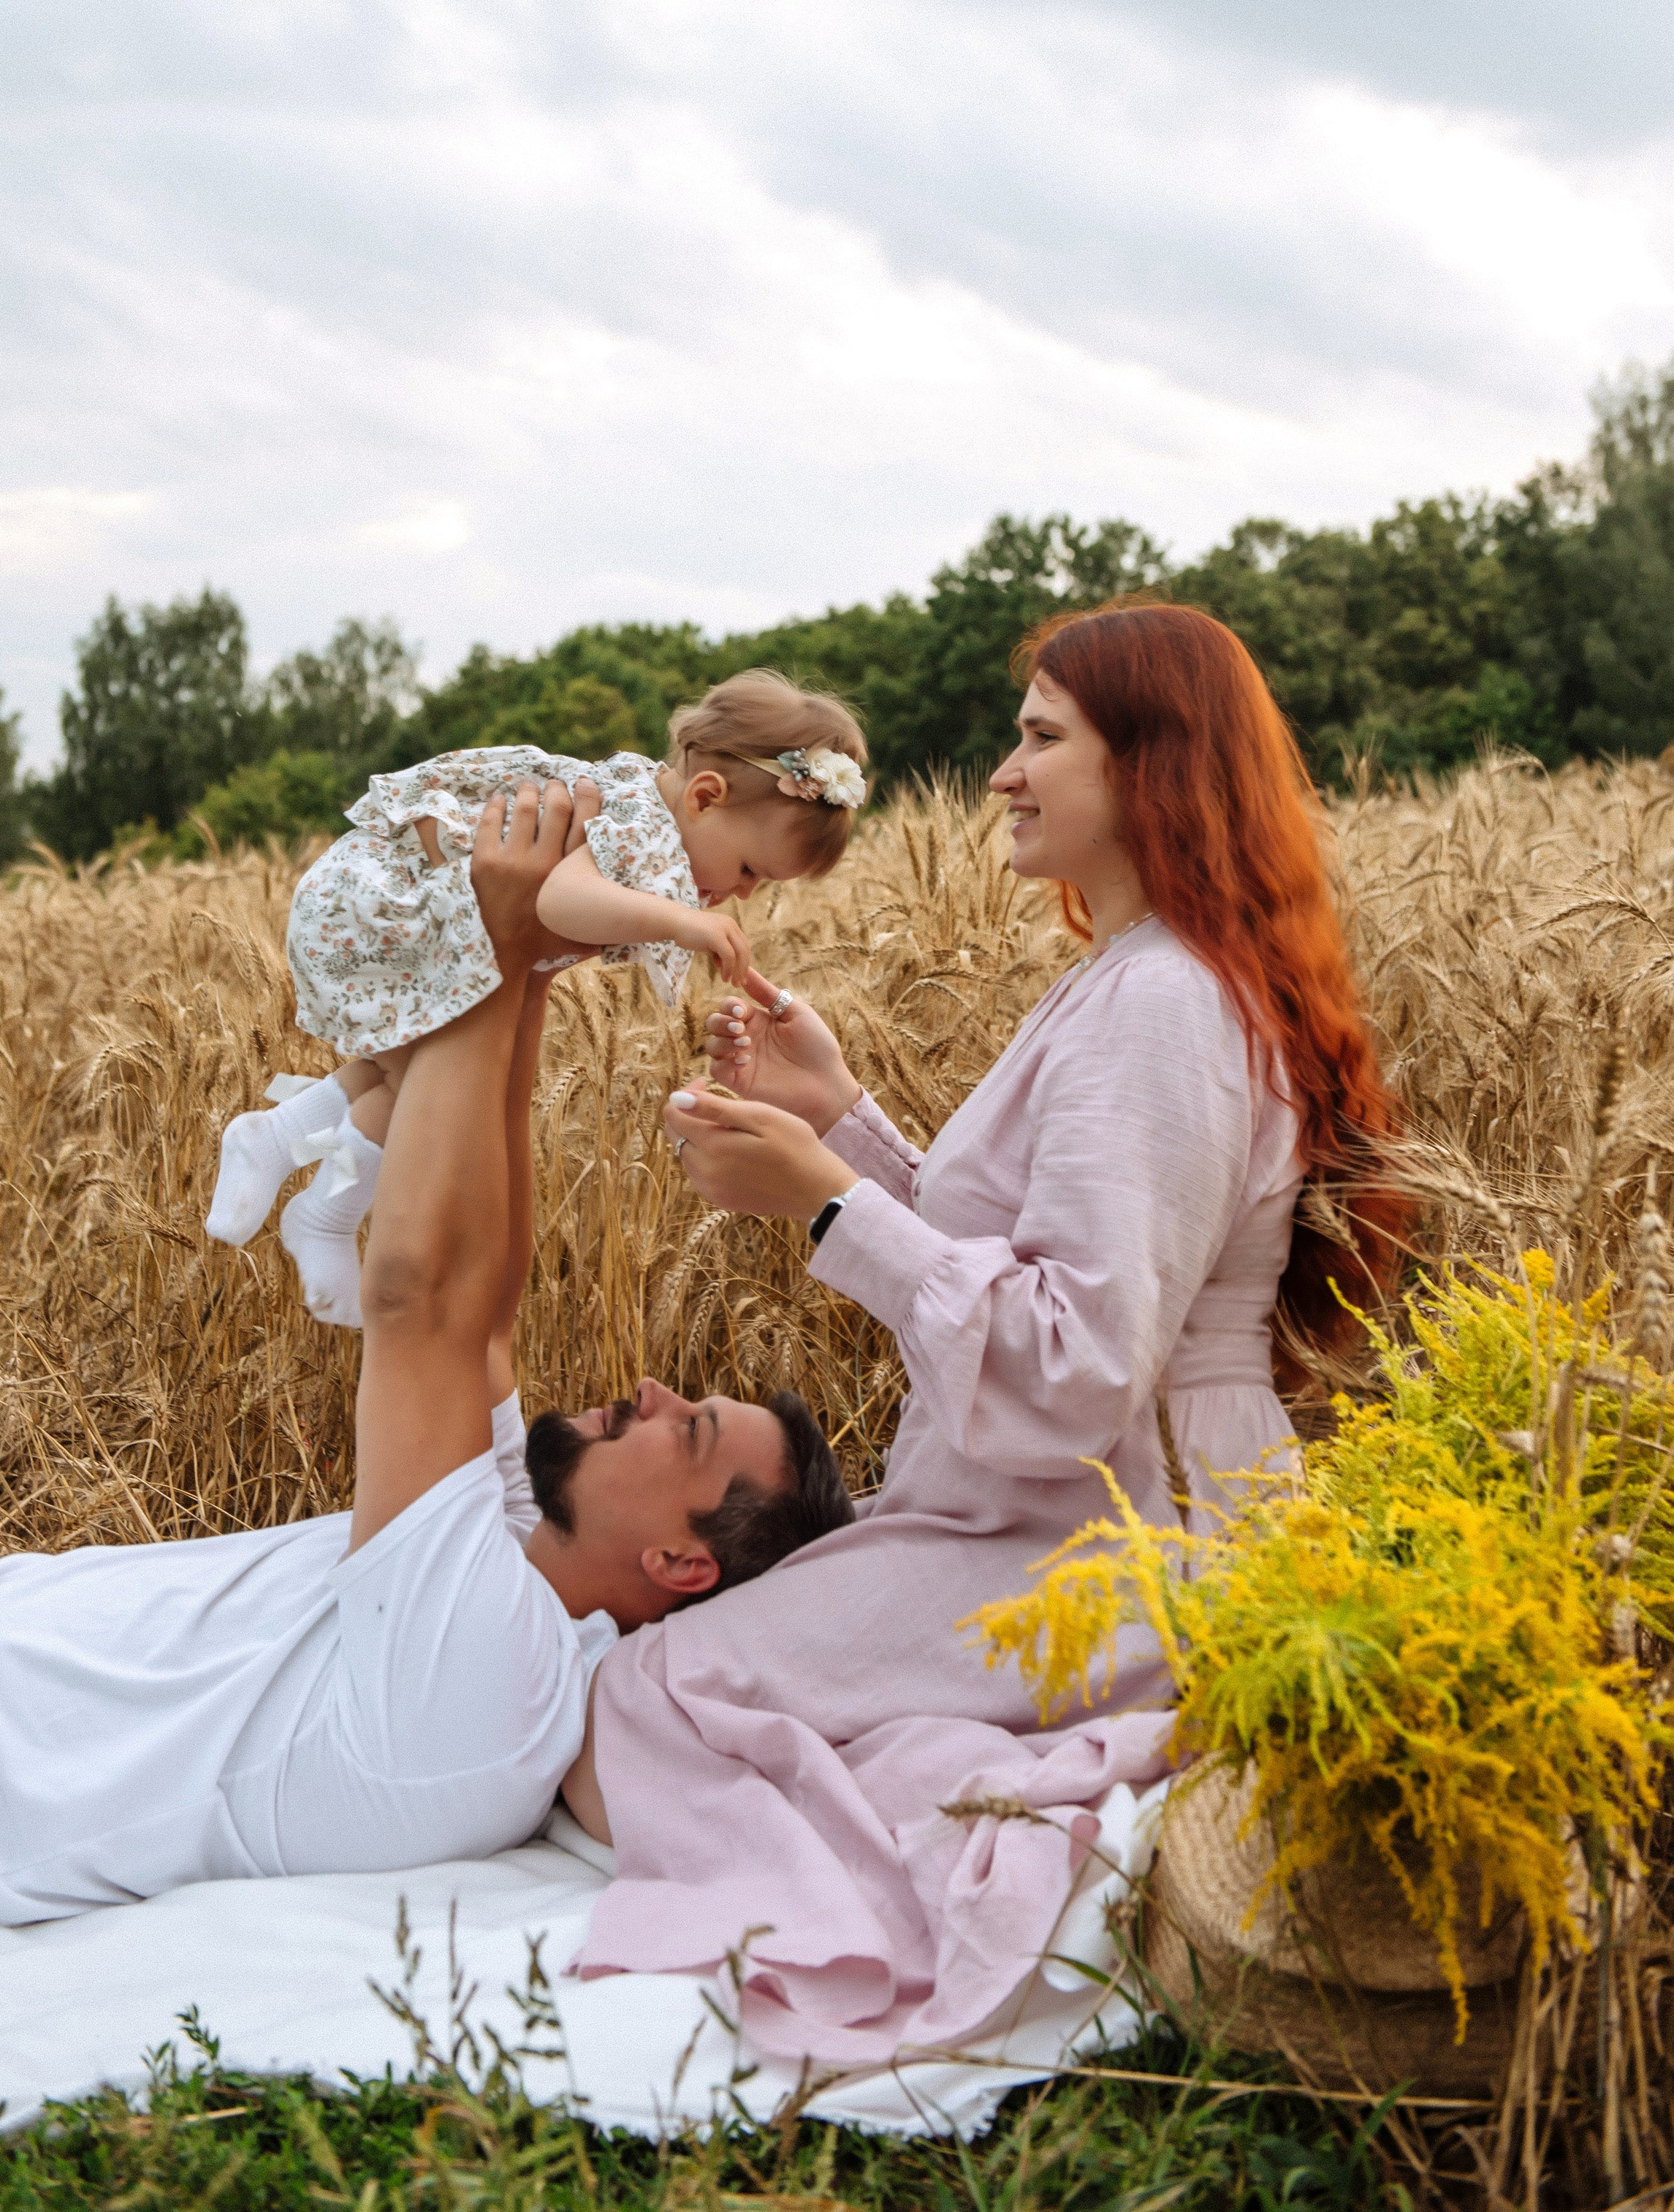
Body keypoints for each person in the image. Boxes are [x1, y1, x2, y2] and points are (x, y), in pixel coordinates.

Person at [563, 600, 1406, 2064]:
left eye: (1036, 740)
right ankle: (978, 1778)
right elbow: (1029, 1261)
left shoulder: (1160, 1006)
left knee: (652, 1691)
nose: (1001, 775)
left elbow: (1078, 1363)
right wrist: (847, 1123)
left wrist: (824, 1204)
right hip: (1061, 1508)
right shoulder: (1138, 980)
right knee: (729, 1685)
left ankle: (889, 1891)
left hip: (1108, 1537)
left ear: (1149, 767)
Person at [0, 779, 854, 1930]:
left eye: (688, 1427)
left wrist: (491, 947)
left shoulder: (496, 1684)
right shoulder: (511, 1557)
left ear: (681, 1562)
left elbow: (422, 1297)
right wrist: (525, 967)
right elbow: (489, 1305)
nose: (651, 1390)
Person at [205, 672, 869, 1319]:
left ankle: (281, 1146)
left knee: (415, 1078)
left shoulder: (653, 820)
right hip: (391, 906)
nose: (747, 892)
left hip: (431, 917)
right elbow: (560, 897)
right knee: (424, 1091)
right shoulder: (641, 820)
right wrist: (684, 922)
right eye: (751, 868)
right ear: (703, 796)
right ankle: (319, 1204)